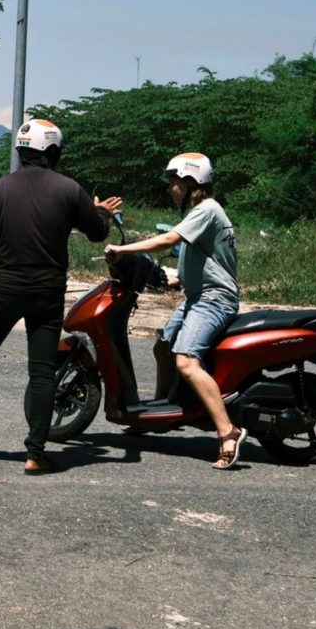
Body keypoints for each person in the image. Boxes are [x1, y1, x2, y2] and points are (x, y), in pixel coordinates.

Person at [0, 119, 122, 474]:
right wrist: (101, 213)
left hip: (4, 288)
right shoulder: (69, 190)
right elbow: (97, 232)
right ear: (52, 152)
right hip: (47, 292)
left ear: (21, 151)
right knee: (42, 371)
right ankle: (35, 453)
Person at [105, 152, 244, 470]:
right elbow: (207, 258)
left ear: (191, 181)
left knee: (186, 361)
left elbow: (169, 239)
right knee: (163, 345)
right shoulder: (202, 211)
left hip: (214, 299)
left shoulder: (207, 209)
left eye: (174, 181)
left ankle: (228, 432)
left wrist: (122, 249)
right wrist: (174, 277)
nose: (170, 188)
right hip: (199, 295)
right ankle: (163, 413)